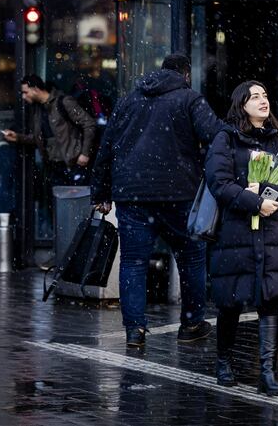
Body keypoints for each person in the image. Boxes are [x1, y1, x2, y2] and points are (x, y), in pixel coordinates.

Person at [91, 53, 223, 347]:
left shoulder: (129, 100)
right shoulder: (190, 99)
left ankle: (134, 330)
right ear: (186, 74)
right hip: (179, 192)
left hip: (132, 192)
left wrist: (101, 192)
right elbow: (216, 137)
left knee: (134, 262)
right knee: (191, 257)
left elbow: (107, 145)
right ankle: (191, 324)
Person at [206, 81, 278, 396]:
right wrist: (252, 201)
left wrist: (270, 196)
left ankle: (267, 373)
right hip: (236, 230)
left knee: (270, 300)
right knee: (231, 300)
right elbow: (219, 183)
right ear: (241, 104)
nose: (263, 100)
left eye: (265, 95)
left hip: (272, 229)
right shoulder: (226, 138)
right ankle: (224, 363)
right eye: (255, 96)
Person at [4, 74, 96, 187]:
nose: (23, 97)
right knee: (59, 201)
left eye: (25, 92)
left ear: (36, 89)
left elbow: (89, 123)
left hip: (74, 164)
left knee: (76, 200)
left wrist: (85, 153)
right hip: (54, 166)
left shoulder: (63, 102)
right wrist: (18, 137)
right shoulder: (38, 109)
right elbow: (40, 138)